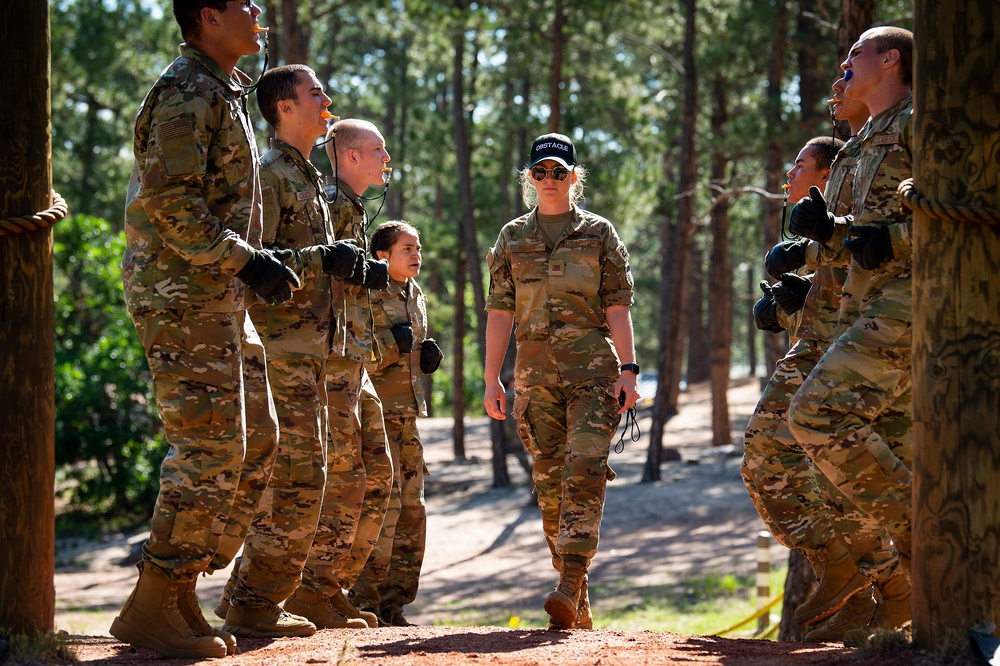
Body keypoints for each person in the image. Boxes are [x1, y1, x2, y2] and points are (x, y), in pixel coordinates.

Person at [110, 0, 299, 658]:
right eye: (243, 2)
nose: (257, 11)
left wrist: (253, 267)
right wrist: (250, 261)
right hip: (180, 296)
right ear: (209, 16)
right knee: (209, 451)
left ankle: (178, 591)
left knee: (256, 440)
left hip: (214, 294)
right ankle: (154, 602)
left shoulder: (221, 90)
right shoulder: (186, 92)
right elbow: (173, 206)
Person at [216, 64, 368, 638]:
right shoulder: (267, 176)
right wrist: (320, 260)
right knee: (299, 476)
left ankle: (256, 599)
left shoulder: (305, 177)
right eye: (314, 92)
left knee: (310, 476)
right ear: (284, 107)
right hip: (279, 347)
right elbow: (256, 263)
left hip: (315, 349)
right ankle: (252, 601)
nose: (326, 99)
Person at [787, 26, 915, 635]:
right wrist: (829, 234)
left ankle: (931, 535)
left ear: (891, 59)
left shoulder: (923, 124)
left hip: (914, 306)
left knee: (814, 415)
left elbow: (970, 217)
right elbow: (868, 242)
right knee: (891, 450)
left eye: (857, 52)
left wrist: (894, 238)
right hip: (868, 306)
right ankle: (916, 604)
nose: (845, 62)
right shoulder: (864, 140)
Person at [483, 133, 639, 630]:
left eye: (558, 171)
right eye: (540, 171)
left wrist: (629, 370)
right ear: (530, 178)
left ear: (575, 177)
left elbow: (617, 305)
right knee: (551, 484)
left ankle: (568, 582)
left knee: (585, 467)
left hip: (593, 371)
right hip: (534, 377)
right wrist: (492, 379)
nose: (549, 179)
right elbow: (499, 311)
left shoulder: (599, 233)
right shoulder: (511, 238)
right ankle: (577, 601)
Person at [282, 118, 394, 629]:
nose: (385, 158)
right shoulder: (325, 204)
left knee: (376, 475)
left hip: (354, 358)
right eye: (377, 150)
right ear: (349, 156)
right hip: (328, 360)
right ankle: (294, 590)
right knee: (338, 478)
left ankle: (324, 587)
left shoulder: (350, 207)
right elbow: (294, 273)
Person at [351, 221, 443, 627]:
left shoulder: (415, 294)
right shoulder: (367, 293)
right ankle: (363, 603)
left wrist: (423, 357)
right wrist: (393, 345)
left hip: (407, 417)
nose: (416, 255)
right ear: (382, 255)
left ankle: (394, 605)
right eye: (408, 248)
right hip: (375, 418)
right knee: (381, 511)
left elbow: (412, 345)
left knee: (411, 511)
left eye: (418, 248)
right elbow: (354, 355)